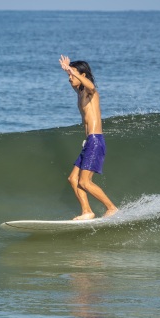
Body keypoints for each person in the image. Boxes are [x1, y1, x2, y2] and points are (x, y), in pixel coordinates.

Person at [59, 55, 118, 220]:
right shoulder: (79, 94)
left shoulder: (91, 92)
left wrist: (72, 71)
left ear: (82, 75)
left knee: (85, 182)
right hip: (88, 143)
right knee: (73, 179)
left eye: (73, 75)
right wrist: (67, 70)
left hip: (95, 140)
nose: (70, 78)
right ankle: (87, 211)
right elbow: (78, 82)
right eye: (69, 76)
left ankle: (112, 208)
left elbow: (90, 85)